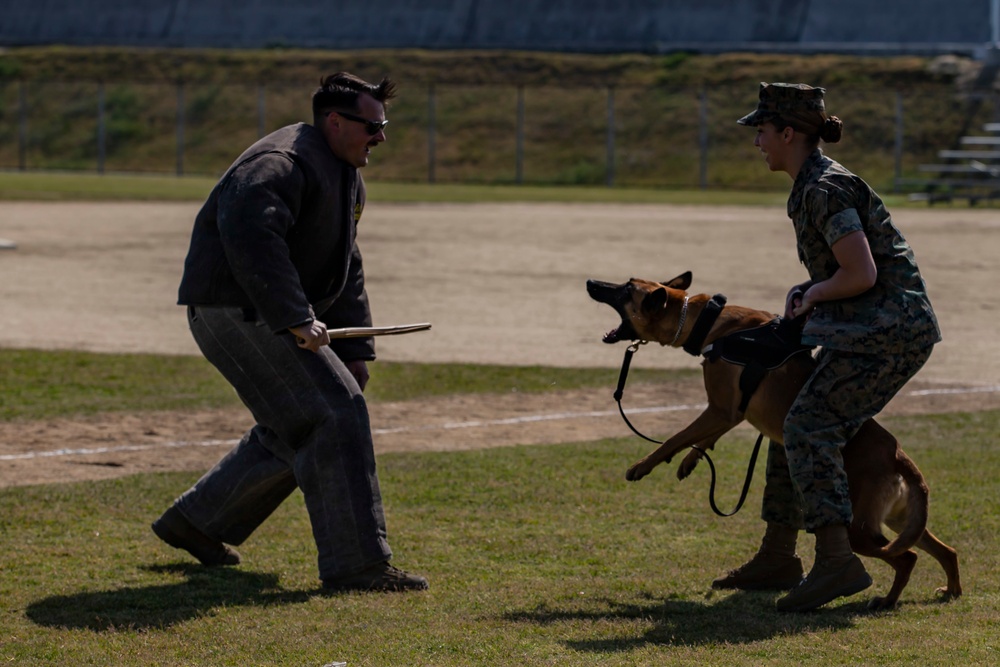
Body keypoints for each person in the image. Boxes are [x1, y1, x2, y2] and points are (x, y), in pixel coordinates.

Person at [151, 72, 428, 593]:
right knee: (333, 412)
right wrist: (296, 316)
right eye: (374, 126)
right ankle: (357, 565)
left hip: (267, 310)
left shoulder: (345, 173)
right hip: (236, 309)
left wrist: (356, 350)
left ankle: (197, 521)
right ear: (335, 121)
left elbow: (345, 263)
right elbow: (251, 237)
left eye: (384, 125)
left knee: (299, 420)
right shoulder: (280, 163)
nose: (382, 137)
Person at [713, 82, 941, 612]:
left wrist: (815, 291)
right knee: (791, 419)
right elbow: (851, 273)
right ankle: (777, 554)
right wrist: (811, 294)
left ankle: (838, 563)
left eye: (763, 131)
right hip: (868, 330)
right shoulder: (813, 183)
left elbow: (859, 273)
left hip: (888, 335)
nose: (758, 143)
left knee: (807, 426)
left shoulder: (823, 189)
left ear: (789, 133)